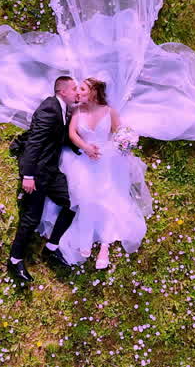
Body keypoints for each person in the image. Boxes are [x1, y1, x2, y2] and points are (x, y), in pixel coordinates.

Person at [38, 77, 151, 270]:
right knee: (84, 198)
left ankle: (105, 247)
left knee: (109, 198)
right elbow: (73, 134)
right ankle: (85, 238)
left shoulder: (109, 112)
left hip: (108, 160)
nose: (78, 92)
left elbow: (119, 133)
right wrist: (86, 147)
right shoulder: (78, 111)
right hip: (83, 158)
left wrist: (125, 142)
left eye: (82, 89)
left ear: (93, 92)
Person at [6, 75, 81, 285]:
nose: (77, 92)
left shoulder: (62, 109)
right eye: (74, 88)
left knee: (73, 202)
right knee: (31, 218)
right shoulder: (49, 108)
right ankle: (15, 260)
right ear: (62, 91)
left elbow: (59, 136)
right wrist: (28, 175)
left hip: (52, 171)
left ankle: (51, 247)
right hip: (38, 172)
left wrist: (82, 149)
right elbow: (34, 143)